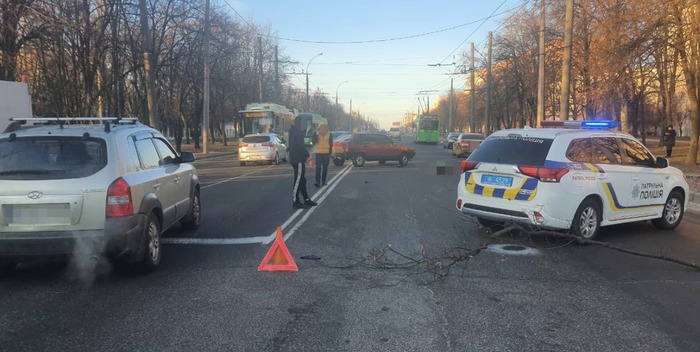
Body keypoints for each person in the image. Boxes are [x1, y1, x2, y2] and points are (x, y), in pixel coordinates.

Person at [289, 120, 317, 209]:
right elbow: (301, 147)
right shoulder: (298, 134)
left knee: (302, 180)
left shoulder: (293, 133)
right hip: (298, 160)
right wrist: (308, 155)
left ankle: (306, 199)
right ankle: (295, 201)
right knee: (298, 180)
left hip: (296, 159)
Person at [313, 123, 333, 187]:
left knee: (318, 168)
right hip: (326, 153)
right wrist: (330, 153)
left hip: (318, 153)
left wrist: (316, 135)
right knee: (325, 168)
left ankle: (317, 181)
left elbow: (313, 141)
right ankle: (323, 181)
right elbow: (331, 144)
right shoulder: (329, 134)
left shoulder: (317, 133)